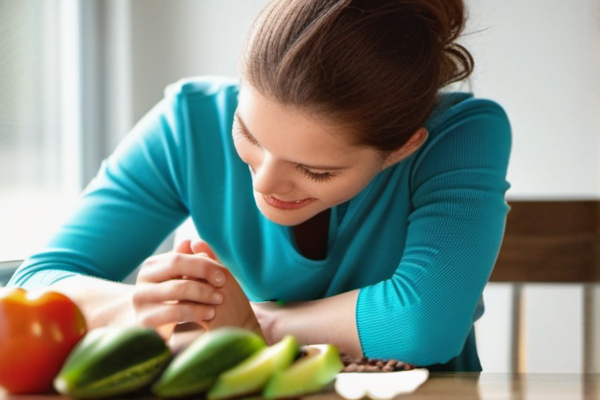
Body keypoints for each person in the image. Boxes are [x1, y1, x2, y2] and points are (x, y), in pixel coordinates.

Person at [8, 0, 511, 372]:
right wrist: (141, 306)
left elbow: (422, 325)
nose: (266, 182)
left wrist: (252, 323)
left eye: (316, 170)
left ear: (401, 148)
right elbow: (32, 286)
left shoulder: (463, 134)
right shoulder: (187, 122)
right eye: (248, 136)